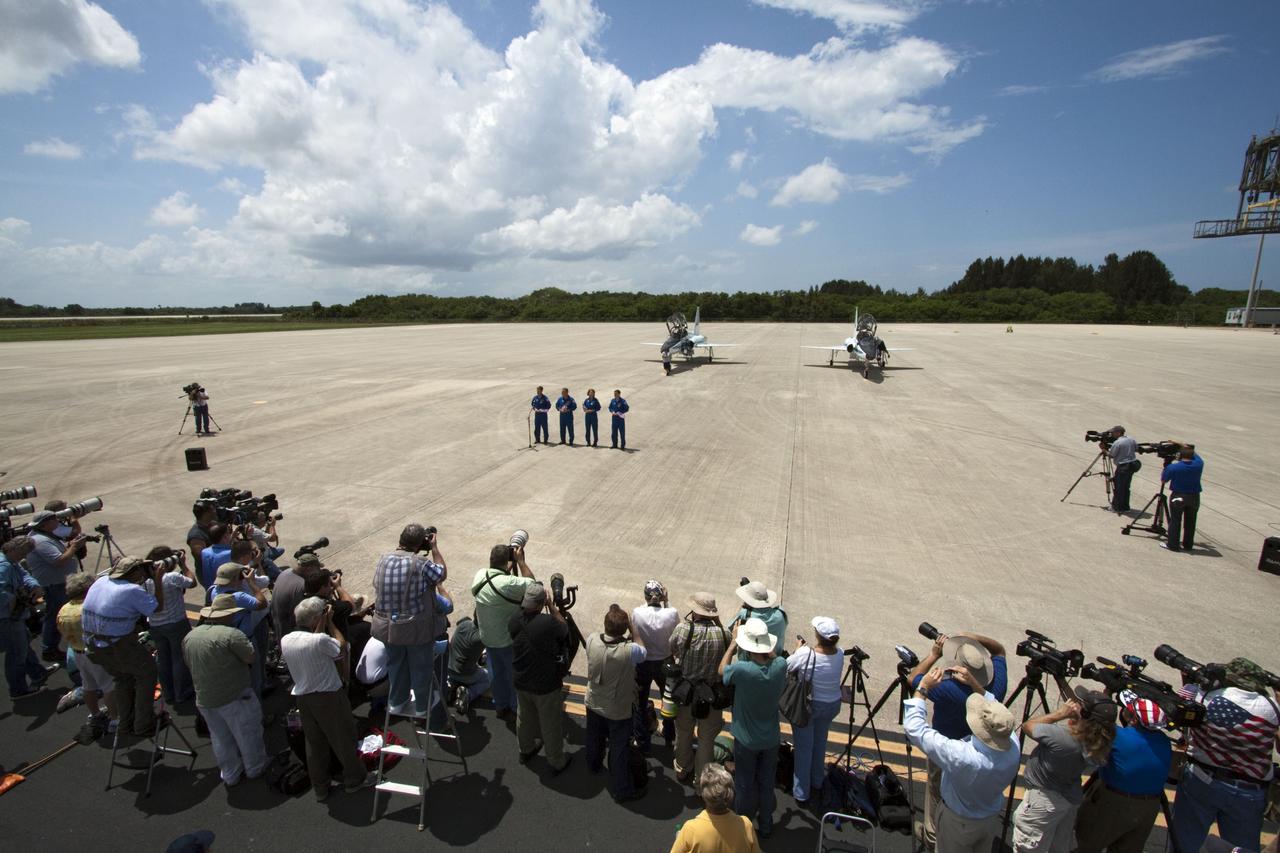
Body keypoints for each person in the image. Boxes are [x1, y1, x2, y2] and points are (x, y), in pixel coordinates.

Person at [907, 630, 1009, 849]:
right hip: (985, 807)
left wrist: (934, 654)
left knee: (936, 793)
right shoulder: (995, 691)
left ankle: (931, 836)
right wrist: (975, 639)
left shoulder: (947, 689)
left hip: (947, 750)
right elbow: (1000, 650)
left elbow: (913, 679)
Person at [1170, 657, 1279, 852]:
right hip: (1249, 792)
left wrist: (1188, 681)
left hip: (1201, 780)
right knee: (1243, 848)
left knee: (1184, 843)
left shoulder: (1206, 696)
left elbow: (1184, 716)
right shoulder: (1272, 708)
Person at [281, 597, 376, 801]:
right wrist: (330, 622)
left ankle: (321, 787)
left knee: (314, 744)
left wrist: (321, 620)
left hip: (304, 698)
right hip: (328, 697)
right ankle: (355, 779)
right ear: (318, 618)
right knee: (343, 738)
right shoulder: (320, 640)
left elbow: (314, 643)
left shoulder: (286, 639)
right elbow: (341, 647)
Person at [1013, 687, 1116, 853]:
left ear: (1086, 715)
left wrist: (1061, 714)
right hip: (1068, 800)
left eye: (1081, 704)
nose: (1075, 704)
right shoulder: (1100, 741)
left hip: (1042, 803)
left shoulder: (1062, 738)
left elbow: (1027, 726)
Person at [182, 594, 266, 786]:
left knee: (220, 737)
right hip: (234, 695)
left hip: (205, 698)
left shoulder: (191, 636)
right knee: (248, 733)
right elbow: (250, 658)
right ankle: (255, 768)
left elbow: (188, 662)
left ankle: (230, 773)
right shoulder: (231, 635)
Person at [1074, 691, 1173, 853]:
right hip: (1149, 807)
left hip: (1114, 803)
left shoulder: (1118, 736)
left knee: (1087, 845)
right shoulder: (1164, 741)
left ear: (1134, 719)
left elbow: (1091, 754)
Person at [719, 617, 786, 838]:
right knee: (767, 783)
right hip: (771, 738)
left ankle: (740, 825)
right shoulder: (779, 666)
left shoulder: (743, 670)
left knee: (744, 782)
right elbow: (774, 657)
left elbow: (722, 671)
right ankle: (765, 825)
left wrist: (732, 645)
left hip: (746, 739)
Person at [82, 555, 165, 736]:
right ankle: (143, 724)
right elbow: (156, 607)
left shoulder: (101, 581)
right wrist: (157, 579)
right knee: (147, 674)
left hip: (94, 645)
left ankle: (125, 723)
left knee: (122, 678)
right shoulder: (131, 590)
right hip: (119, 644)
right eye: (142, 569)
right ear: (134, 572)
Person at [372, 524, 447, 719]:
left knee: (396, 664)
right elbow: (441, 574)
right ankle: (423, 704)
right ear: (419, 543)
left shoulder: (382, 560)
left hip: (386, 627)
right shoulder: (420, 563)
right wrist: (435, 548)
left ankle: (397, 701)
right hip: (414, 628)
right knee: (420, 666)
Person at [585, 604, 647, 802]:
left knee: (594, 736)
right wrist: (632, 626)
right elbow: (642, 649)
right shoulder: (629, 651)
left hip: (593, 701)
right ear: (624, 629)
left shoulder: (592, 640)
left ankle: (593, 765)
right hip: (617, 709)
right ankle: (622, 789)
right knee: (619, 749)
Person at [509, 582, 571, 774]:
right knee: (550, 723)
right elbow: (564, 630)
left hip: (521, 679)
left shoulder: (514, 620)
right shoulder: (548, 623)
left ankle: (525, 749)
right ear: (541, 603)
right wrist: (552, 607)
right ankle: (556, 760)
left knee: (524, 717)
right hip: (545, 684)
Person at [669, 592, 730, 784]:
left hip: (687, 692)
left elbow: (673, 649)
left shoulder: (683, 630)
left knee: (684, 731)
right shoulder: (724, 633)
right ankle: (700, 781)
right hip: (711, 694)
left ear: (694, 611)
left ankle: (682, 768)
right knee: (707, 739)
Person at [470, 541, 534, 723]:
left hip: (488, 637)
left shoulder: (480, 575)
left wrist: (507, 565)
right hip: (507, 640)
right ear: (508, 562)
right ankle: (514, 709)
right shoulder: (509, 583)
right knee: (514, 675)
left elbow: (498, 578)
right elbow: (533, 587)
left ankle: (500, 705)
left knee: (495, 673)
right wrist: (520, 562)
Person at [788, 617, 846, 804]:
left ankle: (801, 792)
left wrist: (798, 650)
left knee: (804, 748)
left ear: (817, 635)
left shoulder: (806, 654)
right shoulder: (840, 654)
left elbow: (788, 666)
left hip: (810, 706)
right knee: (820, 742)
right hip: (831, 705)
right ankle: (817, 781)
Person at [56, 571, 118, 735]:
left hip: (77, 652)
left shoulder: (64, 610)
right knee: (109, 686)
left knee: (88, 685)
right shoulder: (89, 608)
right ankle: (115, 720)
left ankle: (95, 714)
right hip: (95, 652)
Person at [0, 536, 58, 698]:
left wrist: (34, 586)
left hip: (15, 616)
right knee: (16, 653)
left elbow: (24, 574)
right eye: (22, 554)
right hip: (7, 618)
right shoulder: (3, 566)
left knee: (24, 644)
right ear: (13, 550)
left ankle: (37, 673)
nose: (23, 558)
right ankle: (18, 690)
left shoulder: (11, 562)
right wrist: (12, 600)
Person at [24, 509, 85, 661]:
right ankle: (49, 648)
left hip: (56, 582)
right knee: (54, 616)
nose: (57, 522)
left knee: (55, 614)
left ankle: (50, 647)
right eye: (54, 520)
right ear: (45, 524)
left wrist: (70, 545)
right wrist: (74, 547)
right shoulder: (41, 541)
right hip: (55, 585)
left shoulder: (43, 536)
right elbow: (58, 561)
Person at [669, 763, 762, 853]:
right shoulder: (746, 825)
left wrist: (679, 838)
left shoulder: (690, 830)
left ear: (704, 795)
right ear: (730, 794)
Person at [631, 579, 679, 752]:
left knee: (640, 701)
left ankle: (641, 740)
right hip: (665, 661)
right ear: (662, 595)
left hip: (643, 662)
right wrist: (666, 601)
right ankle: (669, 734)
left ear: (645, 596)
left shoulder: (637, 613)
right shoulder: (671, 613)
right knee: (667, 699)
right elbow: (676, 629)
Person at [210, 557, 270, 695]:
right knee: (254, 675)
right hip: (245, 639)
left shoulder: (213, 591)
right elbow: (262, 604)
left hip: (225, 638)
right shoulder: (238, 596)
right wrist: (251, 583)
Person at [145, 546, 197, 704]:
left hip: (155, 625)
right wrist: (184, 565)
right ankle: (182, 691)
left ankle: (168, 693)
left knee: (163, 659)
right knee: (179, 658)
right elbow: (192, 582)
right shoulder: (172, 577)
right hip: (176, 623)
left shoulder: (146, 580)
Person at [1161, 444, 1203, 552]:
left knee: (1175, 520)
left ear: (1179, 455)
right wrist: (1184, 445)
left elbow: (1163, 480)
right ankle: (1188, 545)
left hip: (1178, 496)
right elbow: (1196, 455)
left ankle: (1173, 545)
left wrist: (1166, 466)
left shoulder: (1173, 467)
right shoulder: (1198, 464)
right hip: (1194, 497)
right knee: (1191, 521)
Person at [271, 553, 323, 640]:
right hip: (291, 632)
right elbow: (306, 615)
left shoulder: (284, 573)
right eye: (317, 568)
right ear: (309, 568)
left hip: (277, 623)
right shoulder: (301, 585)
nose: (318, 571)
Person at [447, 613, 488, 716]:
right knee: (488, 679)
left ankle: (451, 687)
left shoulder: (464, 624)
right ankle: (468, 694)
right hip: (465, 673)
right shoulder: (481, 638)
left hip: (449, 668)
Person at [733, 581, 786, 658]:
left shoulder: (745, 614)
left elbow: (732, 630)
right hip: (775, 659)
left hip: (749, 664)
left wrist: (744, 608)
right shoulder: (781, 613)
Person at [1107, 426, 1140, 513]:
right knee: (1126, 487)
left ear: (1118, 432)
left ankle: (1116, 507)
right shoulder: (1131, 439)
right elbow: (1136, 448)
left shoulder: (1117, 442)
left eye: (1113, 432)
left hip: (1123, 467)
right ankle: (1125, 507)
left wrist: (1103, 449)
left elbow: (1111, 455)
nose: (1112, 434)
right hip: (1132, 465)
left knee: (1118, 487)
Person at [199, 523, 234, 603]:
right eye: (229, 533)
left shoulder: (205, 552)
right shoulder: (230, 553)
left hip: (211, 592)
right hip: (227, 595)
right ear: (225, 537)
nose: (230, 535)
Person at [186, 502, 216, 575]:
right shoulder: (196, 536)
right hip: (208, 573)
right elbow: (202, 556)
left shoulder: (213, 524)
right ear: (206, 514)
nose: (215, 511)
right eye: (212, 510)